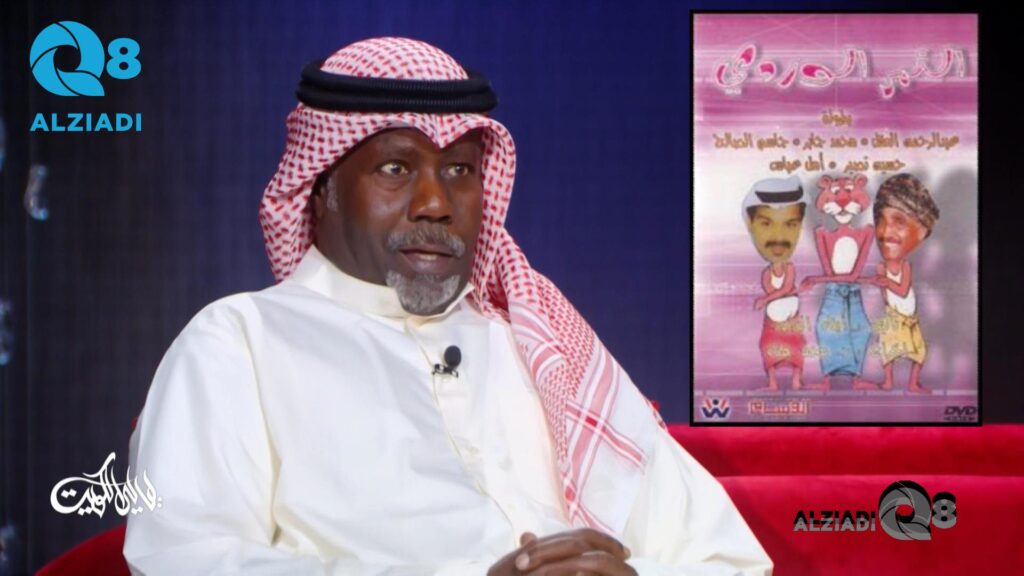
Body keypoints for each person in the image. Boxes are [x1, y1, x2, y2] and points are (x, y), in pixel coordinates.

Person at [123, 37, 771, 575]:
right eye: (395, 169)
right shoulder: (241, 341)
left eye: (459, 170)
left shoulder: (536, 342)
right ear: (321, 189)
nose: (436, 204)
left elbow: (731, 560)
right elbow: (185, 557)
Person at [868, 173, 940, 394]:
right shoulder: (881, 267)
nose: (884, 232)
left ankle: (913, 383)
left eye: (898, 221)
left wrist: (885, 283)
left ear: (923, 230)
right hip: (894, 317)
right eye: (880, 221)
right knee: (887, 349)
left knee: (918, 351)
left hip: (909, 319)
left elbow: (901, 289)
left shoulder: (906, 266)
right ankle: (888, 382)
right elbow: (885, 295)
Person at [743, 176, 808, 391]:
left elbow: (786, 288)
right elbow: (778, 291)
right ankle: (772, 382)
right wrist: (771, 298)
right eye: (766, 223)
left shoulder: (790, 267)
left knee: (796, 344)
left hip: (789, 315)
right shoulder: (765, 273)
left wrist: (765, 300)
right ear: (750, 224)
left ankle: (797, 380)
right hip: (773, 319)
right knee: (767, 344)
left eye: (790, 224)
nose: (778, 237)